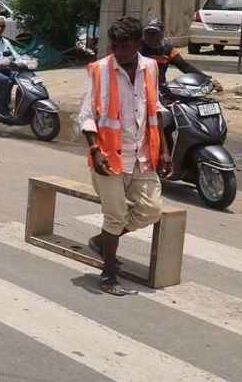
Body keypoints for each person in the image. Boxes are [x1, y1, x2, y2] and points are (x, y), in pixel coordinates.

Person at [79, 16, 173, 296]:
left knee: (151, 210)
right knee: (115, 215)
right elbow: (86, 116)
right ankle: (108, 274)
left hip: (143, 154)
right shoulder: (98, 70)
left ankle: (102, 241)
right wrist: (95, 151)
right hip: (108, 158)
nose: (119, 51)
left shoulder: (151, 68)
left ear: (138, 43)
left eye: (125, 46)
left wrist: (165, 151)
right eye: (115, 45)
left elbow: (154, 110)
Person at [140, 16, 224, 92]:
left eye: (154, 33)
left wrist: (209, 80)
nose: (151, 36)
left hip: (159, 89)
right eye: (148, 33)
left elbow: (185, 67)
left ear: (162, 34)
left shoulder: (168, 50)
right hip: (139, 88)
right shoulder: (137, 48)